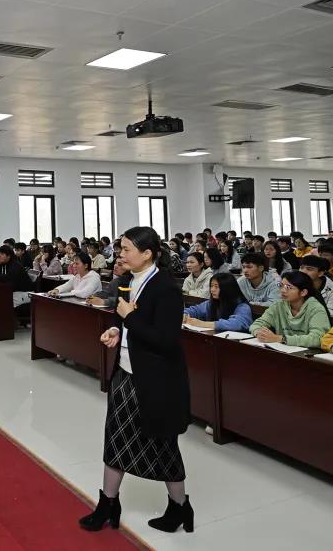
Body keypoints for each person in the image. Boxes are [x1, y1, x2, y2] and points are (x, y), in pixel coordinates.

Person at [83, 227, 193, 534]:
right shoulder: (129, 281)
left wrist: (130, 318)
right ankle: (108, 503)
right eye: (120, 248)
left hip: (156, 381)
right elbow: (122, 318)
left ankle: (180, 506)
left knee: (163, 445)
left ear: (147, 254)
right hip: (125, 373)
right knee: (115, 439)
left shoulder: (166, 288)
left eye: (127, 249)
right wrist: (115, 329)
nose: (121, 254)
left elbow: (166, 340)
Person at [248, 271, 331, 349]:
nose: (283, 290)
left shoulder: (316, 309)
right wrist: (259, 333)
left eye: (289, 287)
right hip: (282, 350)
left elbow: (317, 339)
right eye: (281, 285)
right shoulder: (278, 305)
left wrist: (281, 339)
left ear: (303, 292)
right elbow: (256, 324)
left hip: (308, 354)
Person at [183, 273, 253, 333]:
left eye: (216, 287)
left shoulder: (242, 306)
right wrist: (184, 315)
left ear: (227, 289)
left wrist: (202, 324)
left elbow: (236, 324)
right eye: (211, 286)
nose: (212, 290)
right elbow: (195, 310)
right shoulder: (212, 303)